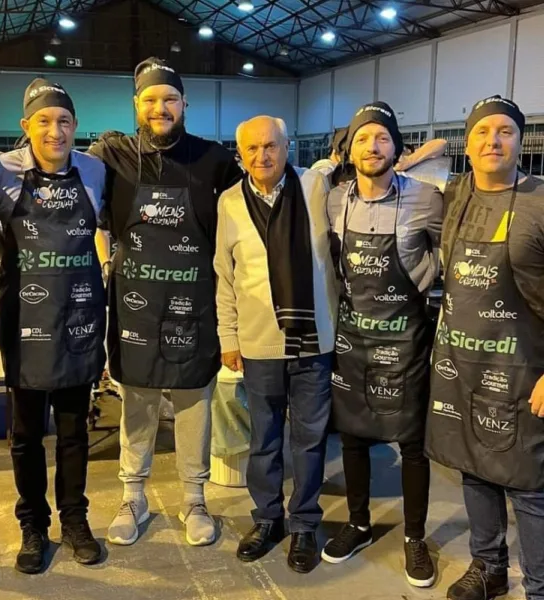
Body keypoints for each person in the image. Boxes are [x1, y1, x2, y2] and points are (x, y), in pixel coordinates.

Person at [86, 58, 241, 547]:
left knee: (195, 401)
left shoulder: (213, 159)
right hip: (136, 307)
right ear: (136, 105)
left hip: (194, 307)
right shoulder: (113, 158)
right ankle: (133, 496)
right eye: (150, 100)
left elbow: (252, 209)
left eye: (169, 99)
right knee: (138, 402)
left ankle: (195, 500)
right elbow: (60, 173)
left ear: (184, 104)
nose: (161, 107)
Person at [0, 79, 108, 574]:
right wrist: (10, 257)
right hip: (25, 320)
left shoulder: (96, 169)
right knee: (26, 434)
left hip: (78, 319)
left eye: (64, 121)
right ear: (25, 127)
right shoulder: (0, 171)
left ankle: (75, 520)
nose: (55, 131)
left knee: (75, 432)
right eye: (44, 121)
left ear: (76, 126)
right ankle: (32, 525)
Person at [425, 95, 544, 600]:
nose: (493, 141)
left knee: (530, 487)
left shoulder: (541, 201)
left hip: (526, 370)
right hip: (462, 364)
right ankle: (488, 567)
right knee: (474, 470)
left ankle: (539, 585)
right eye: (481, 132)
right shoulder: (454, 195)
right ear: (467, 144)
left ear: (522, 140)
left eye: (505, 131)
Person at [322, 102, 443, 588]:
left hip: (408, 339)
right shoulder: (331, 199)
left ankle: (415, 537)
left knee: (412, 444)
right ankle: (358, 523)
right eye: (362, 138)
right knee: (352, 436)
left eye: (382, 138)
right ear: (348, 148)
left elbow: (451, 254)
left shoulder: (429, 199)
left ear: (397, 147)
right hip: (352, 338)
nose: (372, 147)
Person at [214, 115, 340, 573]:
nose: (262, 157)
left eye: (270, 146)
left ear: (288, 147)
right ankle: (268, 518)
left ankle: (304, 522)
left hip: (314, 342)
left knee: (309, 440)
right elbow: (224, 278)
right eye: (252, 149)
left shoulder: (316, 187)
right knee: (264, 441)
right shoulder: (229, 202)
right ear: (240, 154)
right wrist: (228, 336)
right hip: (258, 342)